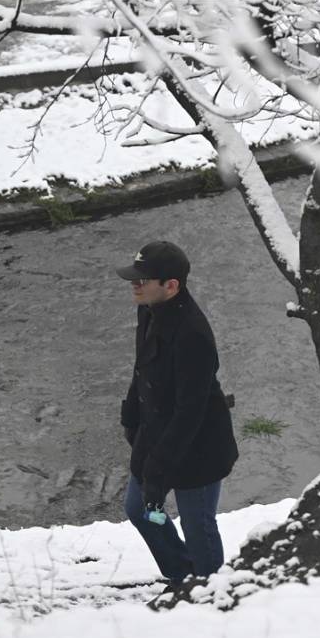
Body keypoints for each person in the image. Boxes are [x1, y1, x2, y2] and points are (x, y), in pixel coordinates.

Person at [116, 241, 238, 585]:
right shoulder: (148, 307)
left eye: (143, 280)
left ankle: (213, 590)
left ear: (171, 286)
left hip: (197, 448)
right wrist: (131, 414)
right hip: (154, 431)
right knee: (140, 509)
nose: (134, 285)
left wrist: (158, 468)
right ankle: (183, 575)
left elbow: (190, 412)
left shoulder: (193, 335)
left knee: (197, 524)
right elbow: (143, 367)